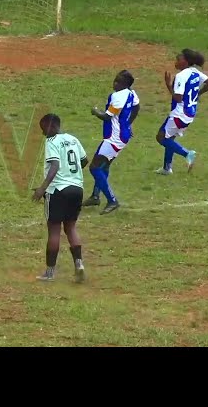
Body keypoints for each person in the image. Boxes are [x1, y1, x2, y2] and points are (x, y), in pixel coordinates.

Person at [32, 113, 89, 282]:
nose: (43, 133)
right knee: (71, 227)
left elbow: (55, 165)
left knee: (54, 229)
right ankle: (79, 264)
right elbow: (84, 161)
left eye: (43, 129)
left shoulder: (51, 142)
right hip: (77, 188)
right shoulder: (73, 139)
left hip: (58, 190)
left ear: (51, 126)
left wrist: (42, 188)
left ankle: (49, 273)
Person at [83, 70, 140, 214]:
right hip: (122, 135)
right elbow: (136, 107)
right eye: (115, 80)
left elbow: (107, 116)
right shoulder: (131, 93)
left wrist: (95, 111)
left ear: (124, 84)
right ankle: (95, 196)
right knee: (104, 166)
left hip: (114, 138)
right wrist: (128, 124)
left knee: (94, 168)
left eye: (118, 82)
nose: (114, 83)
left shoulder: (117, 96)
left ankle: (112, 200)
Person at [155, 49, 208, 175]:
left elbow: (178, 97)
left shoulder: (181, 76)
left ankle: (187, 153)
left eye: (178, 59)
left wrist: (168, 86)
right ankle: (167, 168)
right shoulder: (195, 72)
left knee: (161, 138)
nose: (176, 62)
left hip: (179, 114)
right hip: (190, 113)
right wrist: (198, 94)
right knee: (170, 138)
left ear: (186, 62)